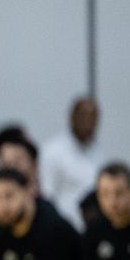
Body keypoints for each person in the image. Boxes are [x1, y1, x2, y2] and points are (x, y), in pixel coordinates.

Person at [40, 97, 103, 231]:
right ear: (72, 117)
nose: (89, 123)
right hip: (65, 230)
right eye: (84, 116)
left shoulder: (98, 150)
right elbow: (48, 197)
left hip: (94, 228)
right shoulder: (53, 151)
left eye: (94, 118)